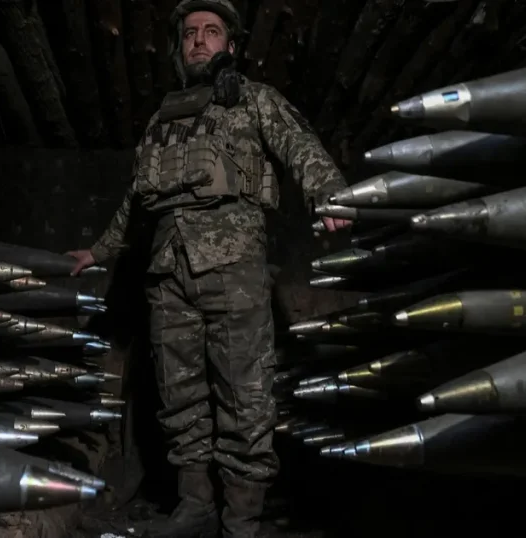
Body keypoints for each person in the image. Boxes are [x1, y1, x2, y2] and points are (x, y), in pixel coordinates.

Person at [67, 1, 350, 536]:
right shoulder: (162, 120)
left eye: (212, 31)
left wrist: (329, 193)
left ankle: (241, 522)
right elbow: (136, 201)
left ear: (231, 46)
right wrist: (98, 252)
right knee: (179, 400)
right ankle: (195, 507)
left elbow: (300, 145)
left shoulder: (254, 100)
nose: (199, 40)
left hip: (232, 271)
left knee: (245, 401)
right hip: (167, 277)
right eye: (190, 33)